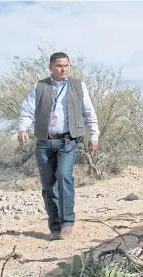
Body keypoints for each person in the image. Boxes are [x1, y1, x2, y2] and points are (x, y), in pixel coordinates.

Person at [18, 52, 100, 241]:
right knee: (48, 185)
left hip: (68, 140)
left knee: (64, 175)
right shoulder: (40, 86)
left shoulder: (78, 86)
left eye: (66, 66)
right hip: (45, 141)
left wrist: (93, 135)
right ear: (51, 68)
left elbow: (89, 112)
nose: (64, 69)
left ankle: (67, 222)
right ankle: (54, 226)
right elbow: (27, 109)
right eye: (59, 66)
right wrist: (23, 129)